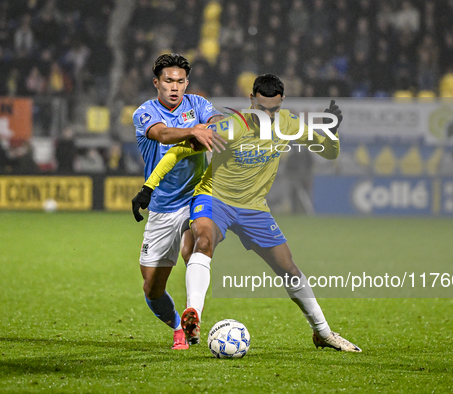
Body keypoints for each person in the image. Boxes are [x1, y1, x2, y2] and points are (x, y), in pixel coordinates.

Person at [133, 74, 361, 352]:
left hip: (254, 207)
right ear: (251, 100)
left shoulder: (288, 124)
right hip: (214, 198)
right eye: (262, 109)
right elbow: (176, 153)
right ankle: (194, 314)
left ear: (282, 103)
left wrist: (331, 133)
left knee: (288, 268)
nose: (268, 115)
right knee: (203, 242)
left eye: (274, 110)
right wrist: (148, 187)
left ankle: (322, 332)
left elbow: (329, 153)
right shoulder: (232, 127)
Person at [132, 53, 224, 350]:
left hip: (196, 194)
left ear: (187, 83)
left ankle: (193, 314)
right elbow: (163, 135)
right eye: (168, 81)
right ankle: (177, 324)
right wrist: (193, 130)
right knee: (152, 288)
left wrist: (220, 125)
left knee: (200, 241)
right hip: (161, 207)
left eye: (180, 81)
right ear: (156, 82)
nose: (174, 87)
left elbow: (216, 121)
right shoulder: (144, 112)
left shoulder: (197, 104)